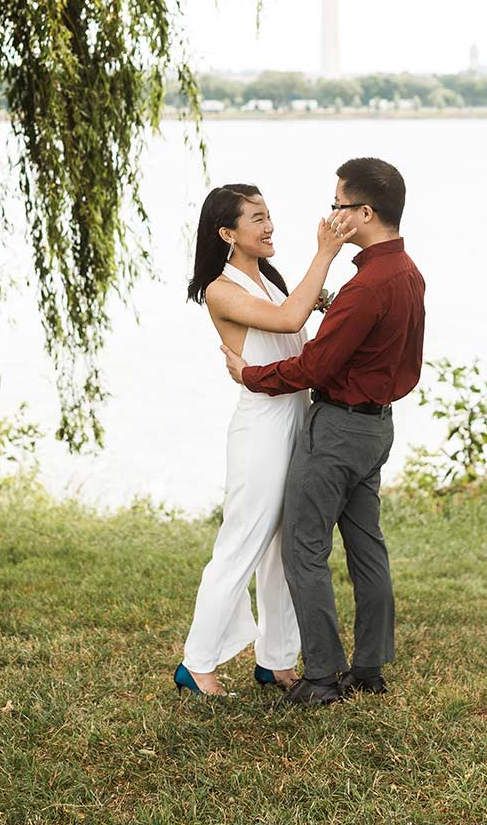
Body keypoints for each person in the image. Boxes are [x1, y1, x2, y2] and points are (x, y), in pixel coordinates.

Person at [222, 157, 425, 705]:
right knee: (367, 548)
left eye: (337, 204)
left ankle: (320, 677)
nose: (330, 213)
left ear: (362, 212)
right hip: (377, 429)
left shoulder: (368, 285)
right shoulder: (406, 273)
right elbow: (399, 356)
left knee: (303, 549)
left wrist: (251, 375)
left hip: (335, 431)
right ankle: (370, 669)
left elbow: (313, 367)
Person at [173, 183, 356, 696]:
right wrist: (325, 254)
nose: (269, 225)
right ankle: (197, 662)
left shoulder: (270, 281)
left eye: (269, 215)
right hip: (262, 430)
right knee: (242, 545)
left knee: (285, 549)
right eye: (256, 218)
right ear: (227, 233)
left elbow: (298, 316)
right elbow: (288, 320)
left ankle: (275, 660)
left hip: (299, 420)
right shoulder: (219, 288)